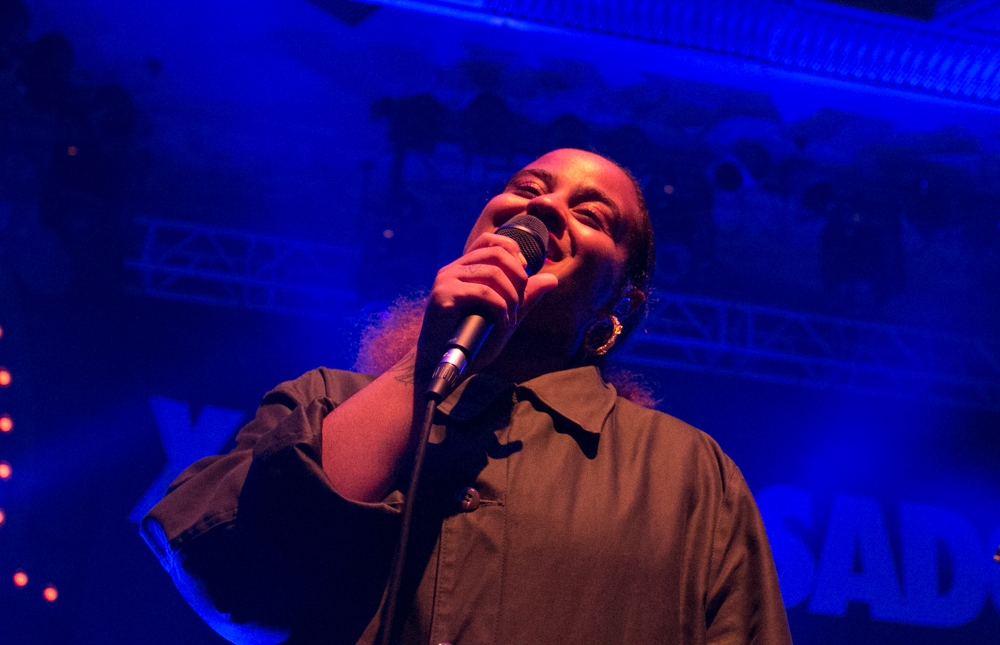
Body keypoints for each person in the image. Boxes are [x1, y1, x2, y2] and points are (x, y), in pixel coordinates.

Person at [141, 148, 792, 645]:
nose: (545, 210)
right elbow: (233, 581)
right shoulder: (324, 403)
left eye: (591, 214)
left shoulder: (688, 477)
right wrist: (422, 365)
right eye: (526, 191)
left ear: (617, 309)